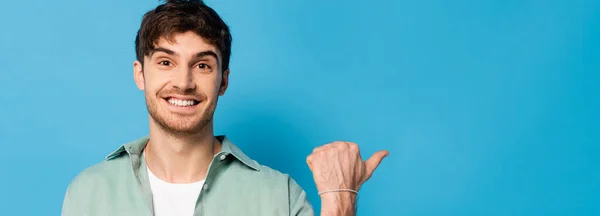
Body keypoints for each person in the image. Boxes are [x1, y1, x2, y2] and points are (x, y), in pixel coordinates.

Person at [61, 0, 388, 215]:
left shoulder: (280, 197)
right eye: (165, 62)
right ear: (139, 74)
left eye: (202, 65)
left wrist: (339, 201)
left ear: (223, 81)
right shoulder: (88, 193)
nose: (184, 82)